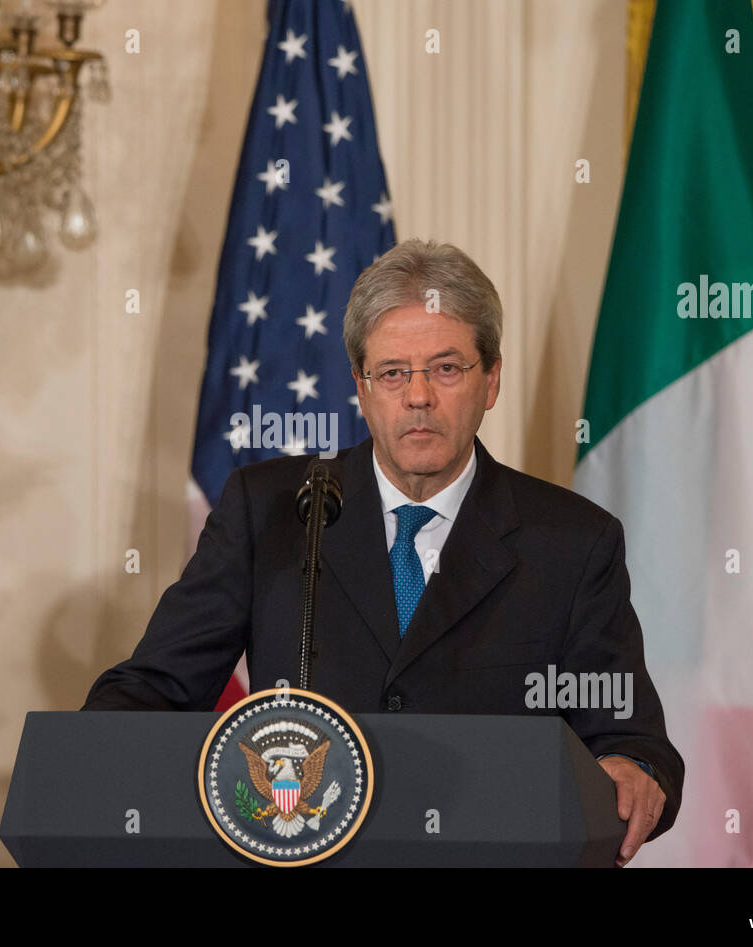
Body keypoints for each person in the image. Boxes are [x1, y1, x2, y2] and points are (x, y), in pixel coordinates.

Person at [83, 238, 683, 865]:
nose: (418, 396)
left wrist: (631, 765)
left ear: (492, 381)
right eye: (393, 373)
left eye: (446, 368)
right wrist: (91, 752)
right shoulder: (271, 512)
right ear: (361, 389)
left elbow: (625, 729)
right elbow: (156, 687)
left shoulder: (572, 540)